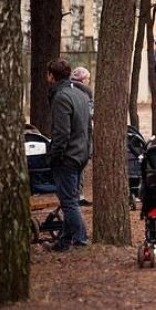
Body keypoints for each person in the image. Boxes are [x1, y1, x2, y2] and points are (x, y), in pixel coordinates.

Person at [44, 58, 92, 251]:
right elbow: (88, 128)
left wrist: (54, 156)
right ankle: (64, 241)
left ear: (51, 76)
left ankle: (80, 239)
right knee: (70, 198)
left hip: (69, 157)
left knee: (68, 201)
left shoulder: (61, 97)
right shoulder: (79, 94)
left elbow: (61, 133)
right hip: (81, 154)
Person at [71, 66, 93, 206]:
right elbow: (90, 112)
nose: (89, 81)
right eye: (88, 79)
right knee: (79, 166)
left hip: (77, 134)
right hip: (81, 135)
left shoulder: (71, 90)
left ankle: (78, 194)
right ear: (83, 79)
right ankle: (76, 195)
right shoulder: (84, 93)